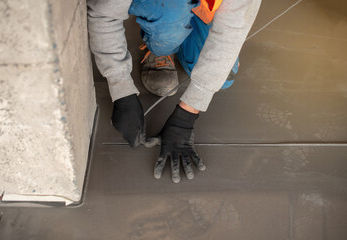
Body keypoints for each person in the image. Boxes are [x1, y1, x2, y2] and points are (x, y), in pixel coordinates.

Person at [87, 0, 261, 183]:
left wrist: (186, 116)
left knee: (224, 76)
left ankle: (177, 33)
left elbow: (230, 33)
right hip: (166, 6)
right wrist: (120, 87)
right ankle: (160, 46)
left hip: (201, 10)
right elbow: (104, 15)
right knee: (170, 11)